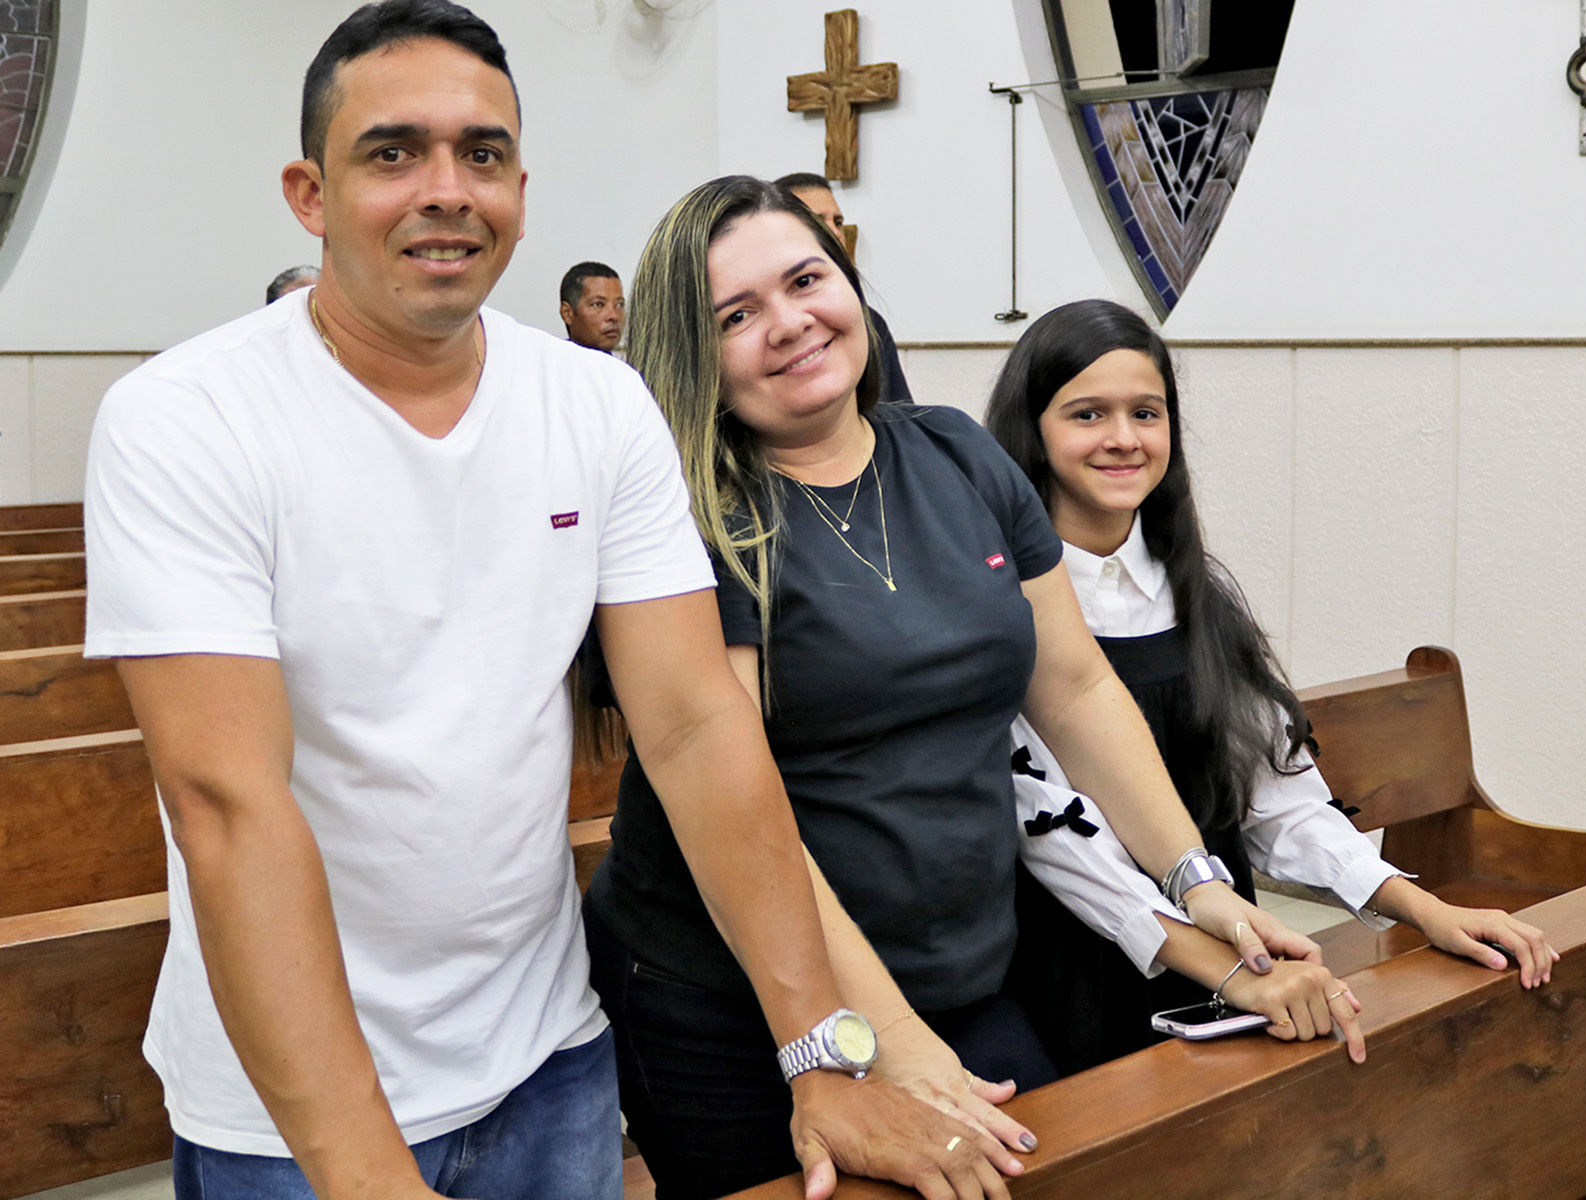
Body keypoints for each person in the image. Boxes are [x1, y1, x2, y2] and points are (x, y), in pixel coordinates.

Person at [83, 5, 988, 1199]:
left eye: (483, 153)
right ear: (310, 194)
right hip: (293, 1114)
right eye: (392, 152)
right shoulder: (187, 419)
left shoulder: (594, 406)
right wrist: (366, 1177)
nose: (446, 190)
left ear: (519, 187)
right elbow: (228, 808)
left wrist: (819, 1052)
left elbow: (696, 728)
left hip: (550, 1059)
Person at [582, 176, 1322, 1200]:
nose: (789, 322)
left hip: (959, 969)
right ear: (692, 354)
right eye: (736, 316)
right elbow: (733, 802)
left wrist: (1197, 883)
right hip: (733, 999)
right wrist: (885, 1038)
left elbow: (1074, 689)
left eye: (806, 280)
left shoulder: (954, 455)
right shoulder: (697, 516)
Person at [982, 299, 1557, 1076]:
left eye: (1146, 412)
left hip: (1232, 955)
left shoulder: (1196, 592)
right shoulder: (1002, 608)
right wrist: (1227, 961)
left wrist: (1425, 910)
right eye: (1088, 414)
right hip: (1078, 961)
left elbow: (1278, 801)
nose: (1123, 438)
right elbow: (1057, 836)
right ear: (1033, 429)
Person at [775, 172, 912, 403]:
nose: (836, 233)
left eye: (837, 222)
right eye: (818, 222)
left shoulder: (870, 323)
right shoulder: (771, 328)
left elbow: (898, 412)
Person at [559, 260, 625, 352]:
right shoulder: (550, 359)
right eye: (598, 304)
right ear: (567, 313)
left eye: (619, 304)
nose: (614, 316)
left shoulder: (621, 362)